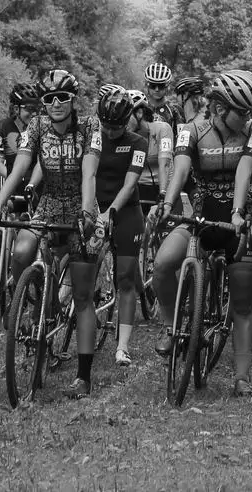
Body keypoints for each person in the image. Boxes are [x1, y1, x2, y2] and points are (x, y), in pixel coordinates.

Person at [153, 72, 252, 396]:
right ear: (218, 107)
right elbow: (182, 167)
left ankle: (242, 378)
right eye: (240, 111)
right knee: (162, 265)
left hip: (240, 215)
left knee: (243, 297)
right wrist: (167, 202)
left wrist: (237, 212)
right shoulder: (190, 130)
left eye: (249, 111)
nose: (247, 117)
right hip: (200, 213)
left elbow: (245, 170)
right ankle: (170, 324)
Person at [0, 69, 104, 398]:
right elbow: (21, 166)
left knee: (83, 296)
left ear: (73, 100)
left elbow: (89, 173)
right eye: (48, 99)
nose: (55, 104)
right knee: (22, 249)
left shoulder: (89, 126)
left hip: (82, 207)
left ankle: (83, 377)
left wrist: (86, 213)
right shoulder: (36, 126)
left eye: (62, 98)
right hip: (50, 203)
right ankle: (31, 303)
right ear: (42, 103)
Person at [93, 90, 149, 367]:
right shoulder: (91, 137)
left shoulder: (138, 142)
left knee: (125, 279)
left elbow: (130, 183)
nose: (111, 131)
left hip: (126, 211)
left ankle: (122, 346)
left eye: (116, 127)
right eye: (106, 126)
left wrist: (111, 211)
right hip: (94, 207)